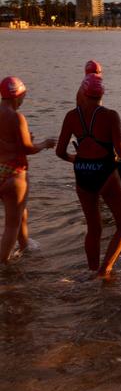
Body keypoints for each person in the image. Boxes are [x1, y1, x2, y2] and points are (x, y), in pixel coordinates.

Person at [56, 74, 121, 277]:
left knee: (93, 226)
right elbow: (120, 151)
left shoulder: (72, 116)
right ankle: (104, 269)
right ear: (102, 94)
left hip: (82, 172)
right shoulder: (110, 115)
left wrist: (75, 159)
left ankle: (91, 270)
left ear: (83, 92)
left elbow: (60, 152)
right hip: (105, 171)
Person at [0, 77, 56, 263]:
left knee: (20, 211)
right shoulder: (17, 117)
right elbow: (27, 148)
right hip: (14, 173)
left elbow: (9, 142)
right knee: (11, 225)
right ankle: (3, 265)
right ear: (17, 96)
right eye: (23, 96)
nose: (23, 100)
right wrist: (44, 144)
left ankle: (24, 245)